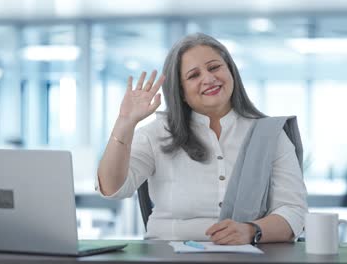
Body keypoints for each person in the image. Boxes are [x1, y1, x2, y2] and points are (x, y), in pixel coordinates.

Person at [96, 32, 308, 244]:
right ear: (181, 92)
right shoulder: (156, 133)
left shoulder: (270, 134)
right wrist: (125, 122)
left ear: (230, 71)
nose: (208, 78)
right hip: (168, 254)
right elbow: (112, 189)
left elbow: (293, 211)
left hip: (248, 254)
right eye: (193, 75)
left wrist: (252, 231)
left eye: (214, 67)